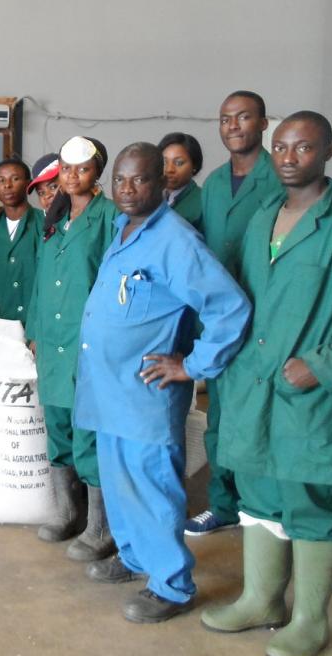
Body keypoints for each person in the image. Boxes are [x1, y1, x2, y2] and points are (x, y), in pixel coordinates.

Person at [201, 111, 332, 656]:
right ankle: (261, 599)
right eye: (283, 148)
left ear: (327, 152)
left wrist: (324, 363)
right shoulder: (266, 213)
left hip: (307, 389)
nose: (289, 158)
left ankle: (310, 619)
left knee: (308, 499)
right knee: (258, 492)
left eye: (304, 148)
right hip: (251, 383)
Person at [74, 143, 251, 623]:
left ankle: (172, 585)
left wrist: (193, 365)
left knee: (151, 485)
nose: (128, 190)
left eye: (140, 180)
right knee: (119, 480)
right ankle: (134, 558)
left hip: (145, 392)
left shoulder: (175, 240)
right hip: (109, 388)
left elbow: (229, 307)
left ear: (161, 182)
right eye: (120, 181)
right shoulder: (122, 227)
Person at [189, 91, 283, 537]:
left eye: (243, 117)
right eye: (225, 118)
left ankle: (260, 507)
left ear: (263, 123)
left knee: (261, 415)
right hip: (223, 319)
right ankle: (223, 504)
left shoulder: (280, 180)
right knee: (221, 415)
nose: (233, 126)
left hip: (267, 317)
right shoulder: (212, 185)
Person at [26, 136, 118, 560]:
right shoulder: (53, 217)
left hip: (89, 343)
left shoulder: (110, 217)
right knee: (58, 427)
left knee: (88, 433)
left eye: (81, 169)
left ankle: (100, 528)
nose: (72, 176)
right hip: (52, 341)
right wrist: (34, 329)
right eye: (65, 169)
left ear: (97, 171)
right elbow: (41, 279)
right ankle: (69, 512)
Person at [0, 157, 40, 330]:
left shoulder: (44, 225)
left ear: (28, 184)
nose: (7, 185)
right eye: (1, 180)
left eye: (15, 179)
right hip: (3, 326)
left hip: (39, 324)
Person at [158, 132, 204, 230]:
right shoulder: (151, 197)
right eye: (164, 162)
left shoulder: (204, 201)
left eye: (179, 163)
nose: (169, 169)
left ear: (194, 166)